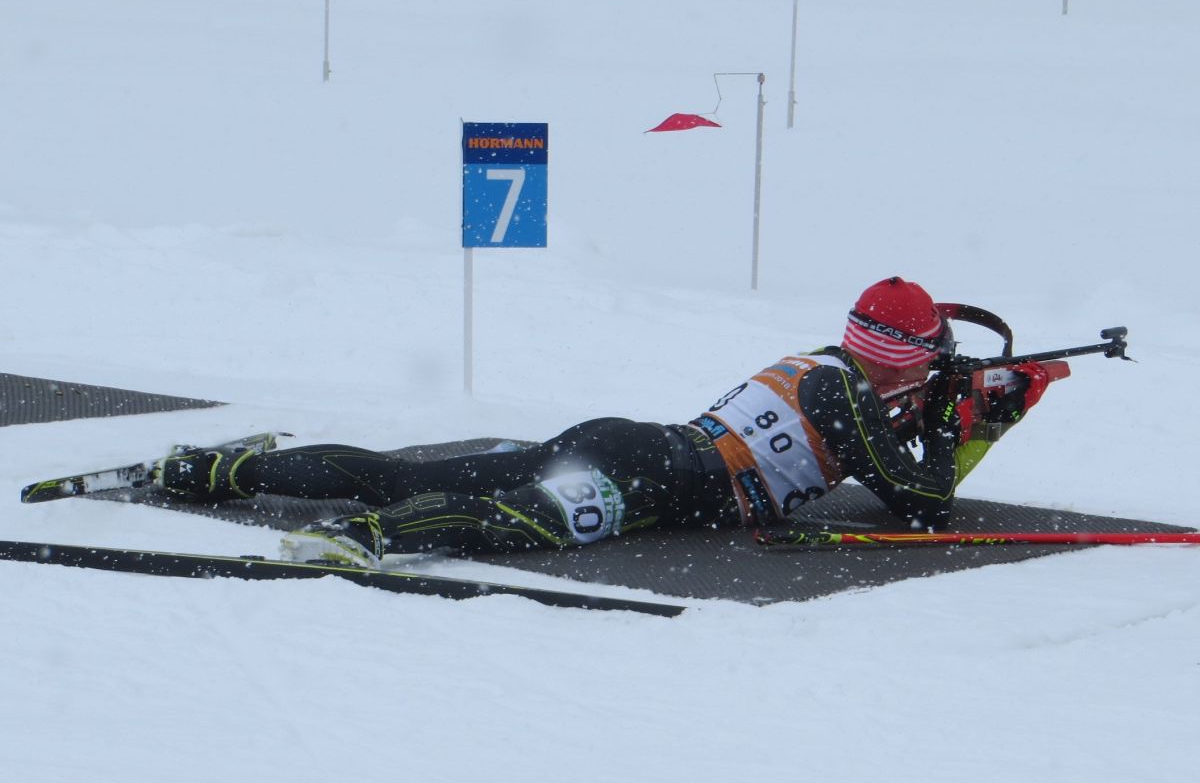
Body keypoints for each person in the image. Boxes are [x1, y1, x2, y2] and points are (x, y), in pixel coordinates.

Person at [156, 277, 1053, 566]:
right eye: (929, 356)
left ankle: (212, 470)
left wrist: (945, 404)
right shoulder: (848, 396)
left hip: (630, 443)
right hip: (659, 479)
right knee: (519, 522)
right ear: (904, 354)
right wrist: (969, 419)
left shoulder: (821, 365)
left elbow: (888, 454)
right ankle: (362, 539)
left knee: (404, 472)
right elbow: (922, 504)